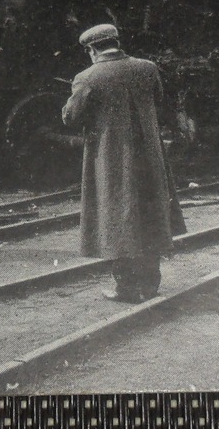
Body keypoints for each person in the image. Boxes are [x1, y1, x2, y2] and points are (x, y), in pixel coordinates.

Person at [61, 23, 185, 303]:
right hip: (150, 158)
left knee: (115, 216)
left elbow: (71, 118)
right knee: (151, 212)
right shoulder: (148, 68)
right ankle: (151, 284)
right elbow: (159, 100)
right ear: (116, 41)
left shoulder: (87, 77)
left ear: (92, 49)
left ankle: (126, 288)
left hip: (112, 159)